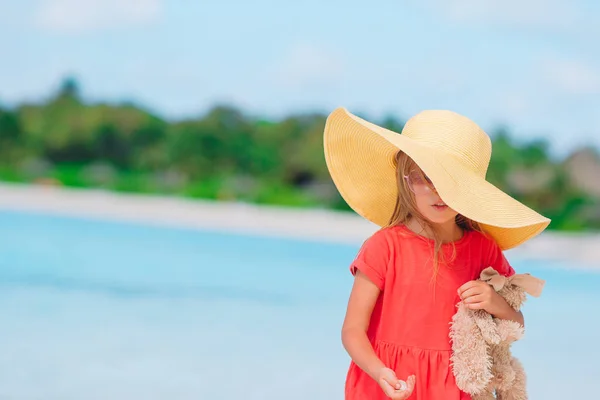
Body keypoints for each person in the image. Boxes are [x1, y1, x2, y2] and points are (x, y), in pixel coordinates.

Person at [322, 108, 550, 400]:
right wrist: (379, 371)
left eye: (451, 182)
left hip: (456, 388)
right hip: (385, 383)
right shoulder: (384, 246)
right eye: (424, 178)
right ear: (406, 180)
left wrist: (495, 303)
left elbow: (516, 325)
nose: (438, 192)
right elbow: (352, 330)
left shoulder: (484, 249)